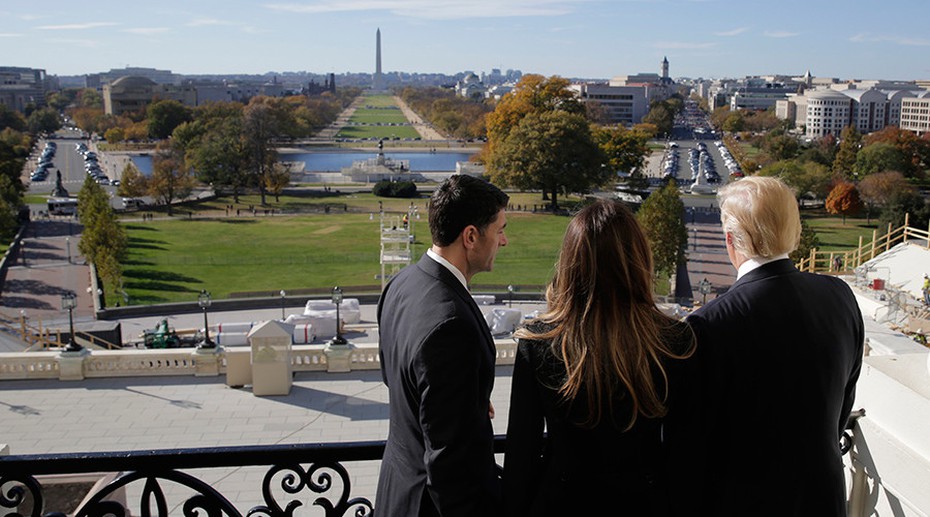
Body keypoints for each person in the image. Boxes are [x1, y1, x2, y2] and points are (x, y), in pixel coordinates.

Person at [503, 199, 697, 517]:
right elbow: (686, 454)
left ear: (571, 263)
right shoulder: (676, 341)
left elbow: (521, 457)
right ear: (639, 259)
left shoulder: (537, 343)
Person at [687, 176, 864, 516]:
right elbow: (843, 404)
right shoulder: (840, 296)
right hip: (822, 498)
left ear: (730, 240)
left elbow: (696, 439)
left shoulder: (709, 324)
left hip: (742, 502)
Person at [376, 174, 509, 516]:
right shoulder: (452, 326)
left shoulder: (401, 284)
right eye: (500, 229)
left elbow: (398, 379)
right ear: (470, 236)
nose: (504, 241)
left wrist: (466, 399)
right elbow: (450, 466)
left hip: (396, 490)